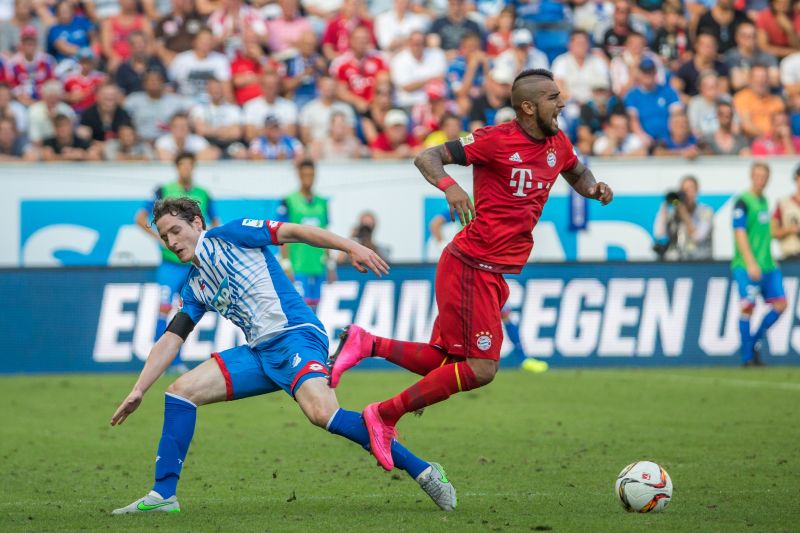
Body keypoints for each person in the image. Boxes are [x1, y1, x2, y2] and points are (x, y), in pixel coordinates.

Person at [327, 68, 614, 471]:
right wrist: (451, 186)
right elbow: (426, 155)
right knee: (481, 369)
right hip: (470, 263)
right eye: (553, 97)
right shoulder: (495, 139)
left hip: (492, 270)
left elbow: (576, 171)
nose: (561, 102)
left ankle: (365, 343)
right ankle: (384, 414)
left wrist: (594, 187)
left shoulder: (557, 142)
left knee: (444, 364)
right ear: (528, 107)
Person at [111, 197, 456, 514]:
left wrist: (352, 246)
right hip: (260, 352)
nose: (171, 242)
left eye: (176, 230)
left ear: (197, 223)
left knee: (323, 414)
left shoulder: (230, 235)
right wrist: (140, 389)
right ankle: (163, 496)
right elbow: (172, 337)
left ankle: (424, 471)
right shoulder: (195, 284)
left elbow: (294, 231)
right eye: (165, 236)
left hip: (297, 337)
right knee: (181, 393)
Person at [135, 152, 220, 373]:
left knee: (185, 313)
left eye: (189, 166)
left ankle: (175, 361)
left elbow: (215, 222)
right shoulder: (163, 191)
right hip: (169, 264)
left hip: (192, 265)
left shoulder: (203, 194)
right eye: (182, 165)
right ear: (177, 167)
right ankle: (157, 362)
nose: (186, 170)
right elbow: (140, 218)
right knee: (163, 309)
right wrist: (161, 240)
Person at [732, 162, 786, 366]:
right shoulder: (743, 202)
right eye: (758, 175)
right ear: (751, 176)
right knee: (748, 307)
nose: (761, 179)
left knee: (781, 304)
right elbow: (740, 232)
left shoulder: (764, 201)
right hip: (747, 265)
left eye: (764, 176)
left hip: (768, 265)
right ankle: (747, 358)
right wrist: (750, 262)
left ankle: (753, 342)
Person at [277, 159, 333, 311]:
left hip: (317, 265)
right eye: (305, 174)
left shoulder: (322, 203)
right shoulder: (289, 201)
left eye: (311, 174)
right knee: (299, 309)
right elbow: (280, 235)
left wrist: (330, 264)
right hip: (297, 265)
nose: (309, 178)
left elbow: (327, 234)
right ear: (299, 175)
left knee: (316, 308)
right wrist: (286, 264)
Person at [652, 175, 714, 260]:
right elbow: (659, 233)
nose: (686, 193)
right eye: (684, 190)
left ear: (696, 191)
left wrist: (684, 214)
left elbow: (698, 236)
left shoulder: (705, 212)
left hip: (700, 262)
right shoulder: (673, 213)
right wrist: (665, 206)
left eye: (690, 189)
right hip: (678, 262)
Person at [772, 165, 800, 260]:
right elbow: (773, 232)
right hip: (790, 256)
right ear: (796, 179)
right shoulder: (783, 203)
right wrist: (789, 230)